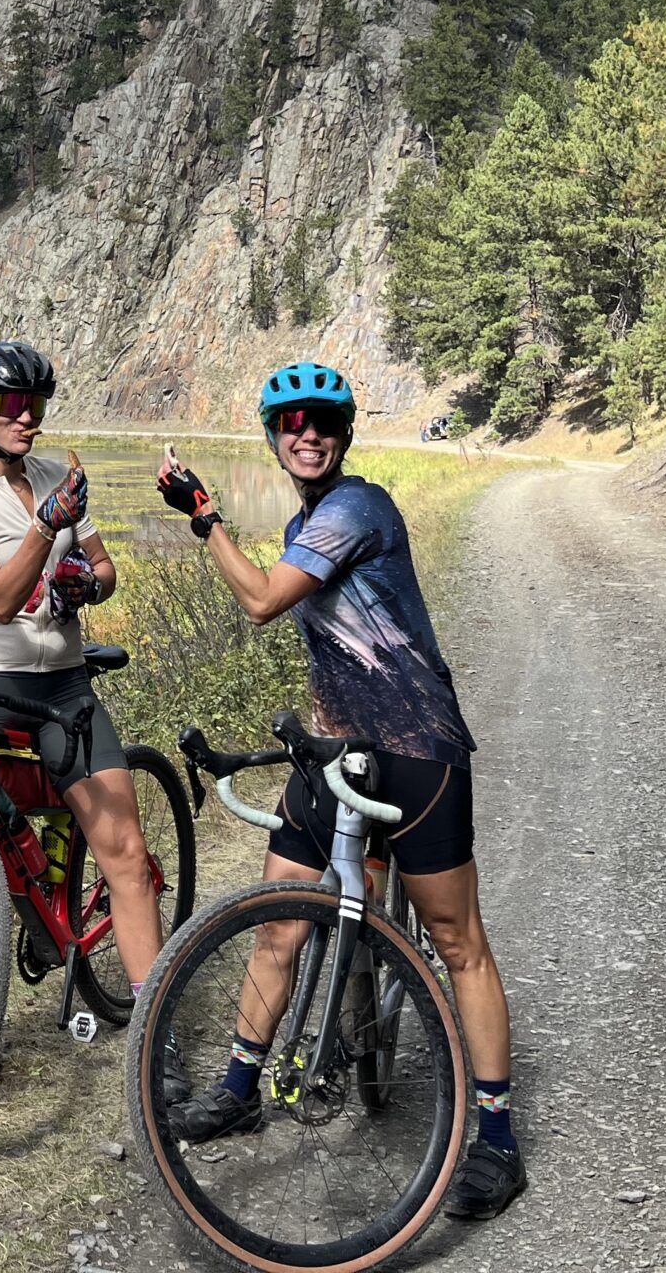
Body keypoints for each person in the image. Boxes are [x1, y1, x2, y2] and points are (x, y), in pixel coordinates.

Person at [153, 360, 526, 1222]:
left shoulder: (359, 508)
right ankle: (243, 1083)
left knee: (458, 940)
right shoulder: (306, 518)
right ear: (276, 438)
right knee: (279, 918)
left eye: (323, 421)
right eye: (292, 424)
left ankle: (499, 1140)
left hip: (418, 751)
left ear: (344, 434)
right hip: (339, 757)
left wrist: (204, 516)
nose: (308, 434)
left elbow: (260, 602)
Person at [0, 339, 166, 1063]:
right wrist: (44, 523)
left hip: (65, 687)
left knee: (124, 852)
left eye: (37, 406)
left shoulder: (61, 476)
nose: (27, 418)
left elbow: (105, 566)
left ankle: (158, 1040)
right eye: (12, 406)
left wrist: (89, 582)